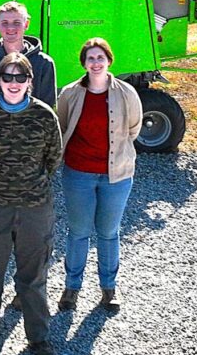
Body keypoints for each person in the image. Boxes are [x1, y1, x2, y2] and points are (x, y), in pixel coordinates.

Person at [0, 53, 63, 355]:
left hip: (34, 207)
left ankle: (38, 338)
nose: (13, 83)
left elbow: (53, 158)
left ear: (29, 82)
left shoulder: (44, 116)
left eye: (19, 77)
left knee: (32, 278)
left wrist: (28, 184)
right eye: (7, 77)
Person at [56, 38, 142, 314]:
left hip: (115, 176)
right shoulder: (70, 93)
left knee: (108, 233)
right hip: (78, 173)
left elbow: (133, 129)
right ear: (83, 63)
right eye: (90, 58)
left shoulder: (127, 93)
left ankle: (108, 289)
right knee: (78, 232)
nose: (95, 63)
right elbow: (63, 125)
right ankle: (72, 288)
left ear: (109, 61)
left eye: (100, 58)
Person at [0, 1, 57, 119]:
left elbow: (48, 109)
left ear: (26, 24)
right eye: (5, 23)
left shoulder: (44, 63)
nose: (10, 28)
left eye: (17, 22)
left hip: (32, 135)